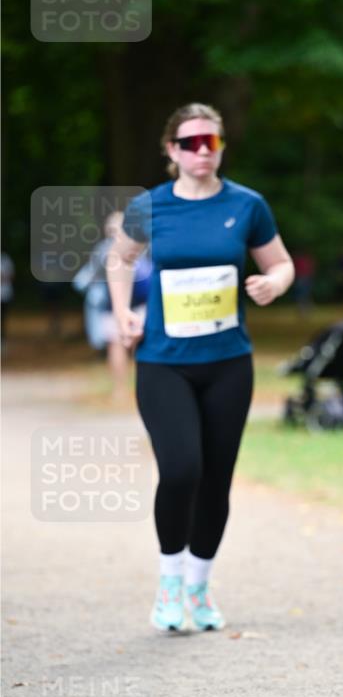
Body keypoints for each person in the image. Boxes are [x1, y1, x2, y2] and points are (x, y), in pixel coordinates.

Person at [107, 102, 294, 632]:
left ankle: (198, 587)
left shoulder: (247, 205)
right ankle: (169, 583)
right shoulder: (150, 206)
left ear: (221, 146)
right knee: (181, 468)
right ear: (172, 150)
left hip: (228, 364)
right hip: (164, 363)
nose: (202, 151)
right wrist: (122, 311)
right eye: (190, 143)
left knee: (216, 481)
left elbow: (280, 263)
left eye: (211, 141)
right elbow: (120, 258)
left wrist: (273, 283)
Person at [73, 211, 152, 402]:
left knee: (117, 345)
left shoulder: (103, 249)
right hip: (139, 304)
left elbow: (89, 279)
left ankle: (121, 389)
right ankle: (140, 388)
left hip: (113, 306)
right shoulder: (142, 246)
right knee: (137, 346)